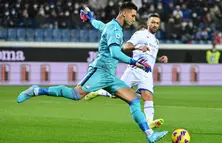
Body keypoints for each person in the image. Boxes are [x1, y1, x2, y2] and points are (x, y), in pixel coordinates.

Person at [17, 2, 168, 143]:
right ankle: (35, 90)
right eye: (132, 15)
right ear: (123, 13)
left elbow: (99, 25)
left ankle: (150, 135)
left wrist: (91, 18)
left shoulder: (111, 26)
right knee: (75, 94)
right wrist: (135, 62)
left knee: (134, 99)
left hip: (109, 76)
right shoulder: (115, 29)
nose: (134, 19)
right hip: (99, 70)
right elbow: (115, 52)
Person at [83, 10, 168, 129]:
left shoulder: (156, 41)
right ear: (148, 23)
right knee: (115, 94)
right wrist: (138, 47)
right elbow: (125, 47)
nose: (155, 25)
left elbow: (150, 56)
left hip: (147, 74)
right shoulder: (140, 34)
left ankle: (149, 121)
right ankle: (98, 91)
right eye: (153, 22)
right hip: (134, 71)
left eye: (157, 23)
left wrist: (160, 59)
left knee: (147, 96)